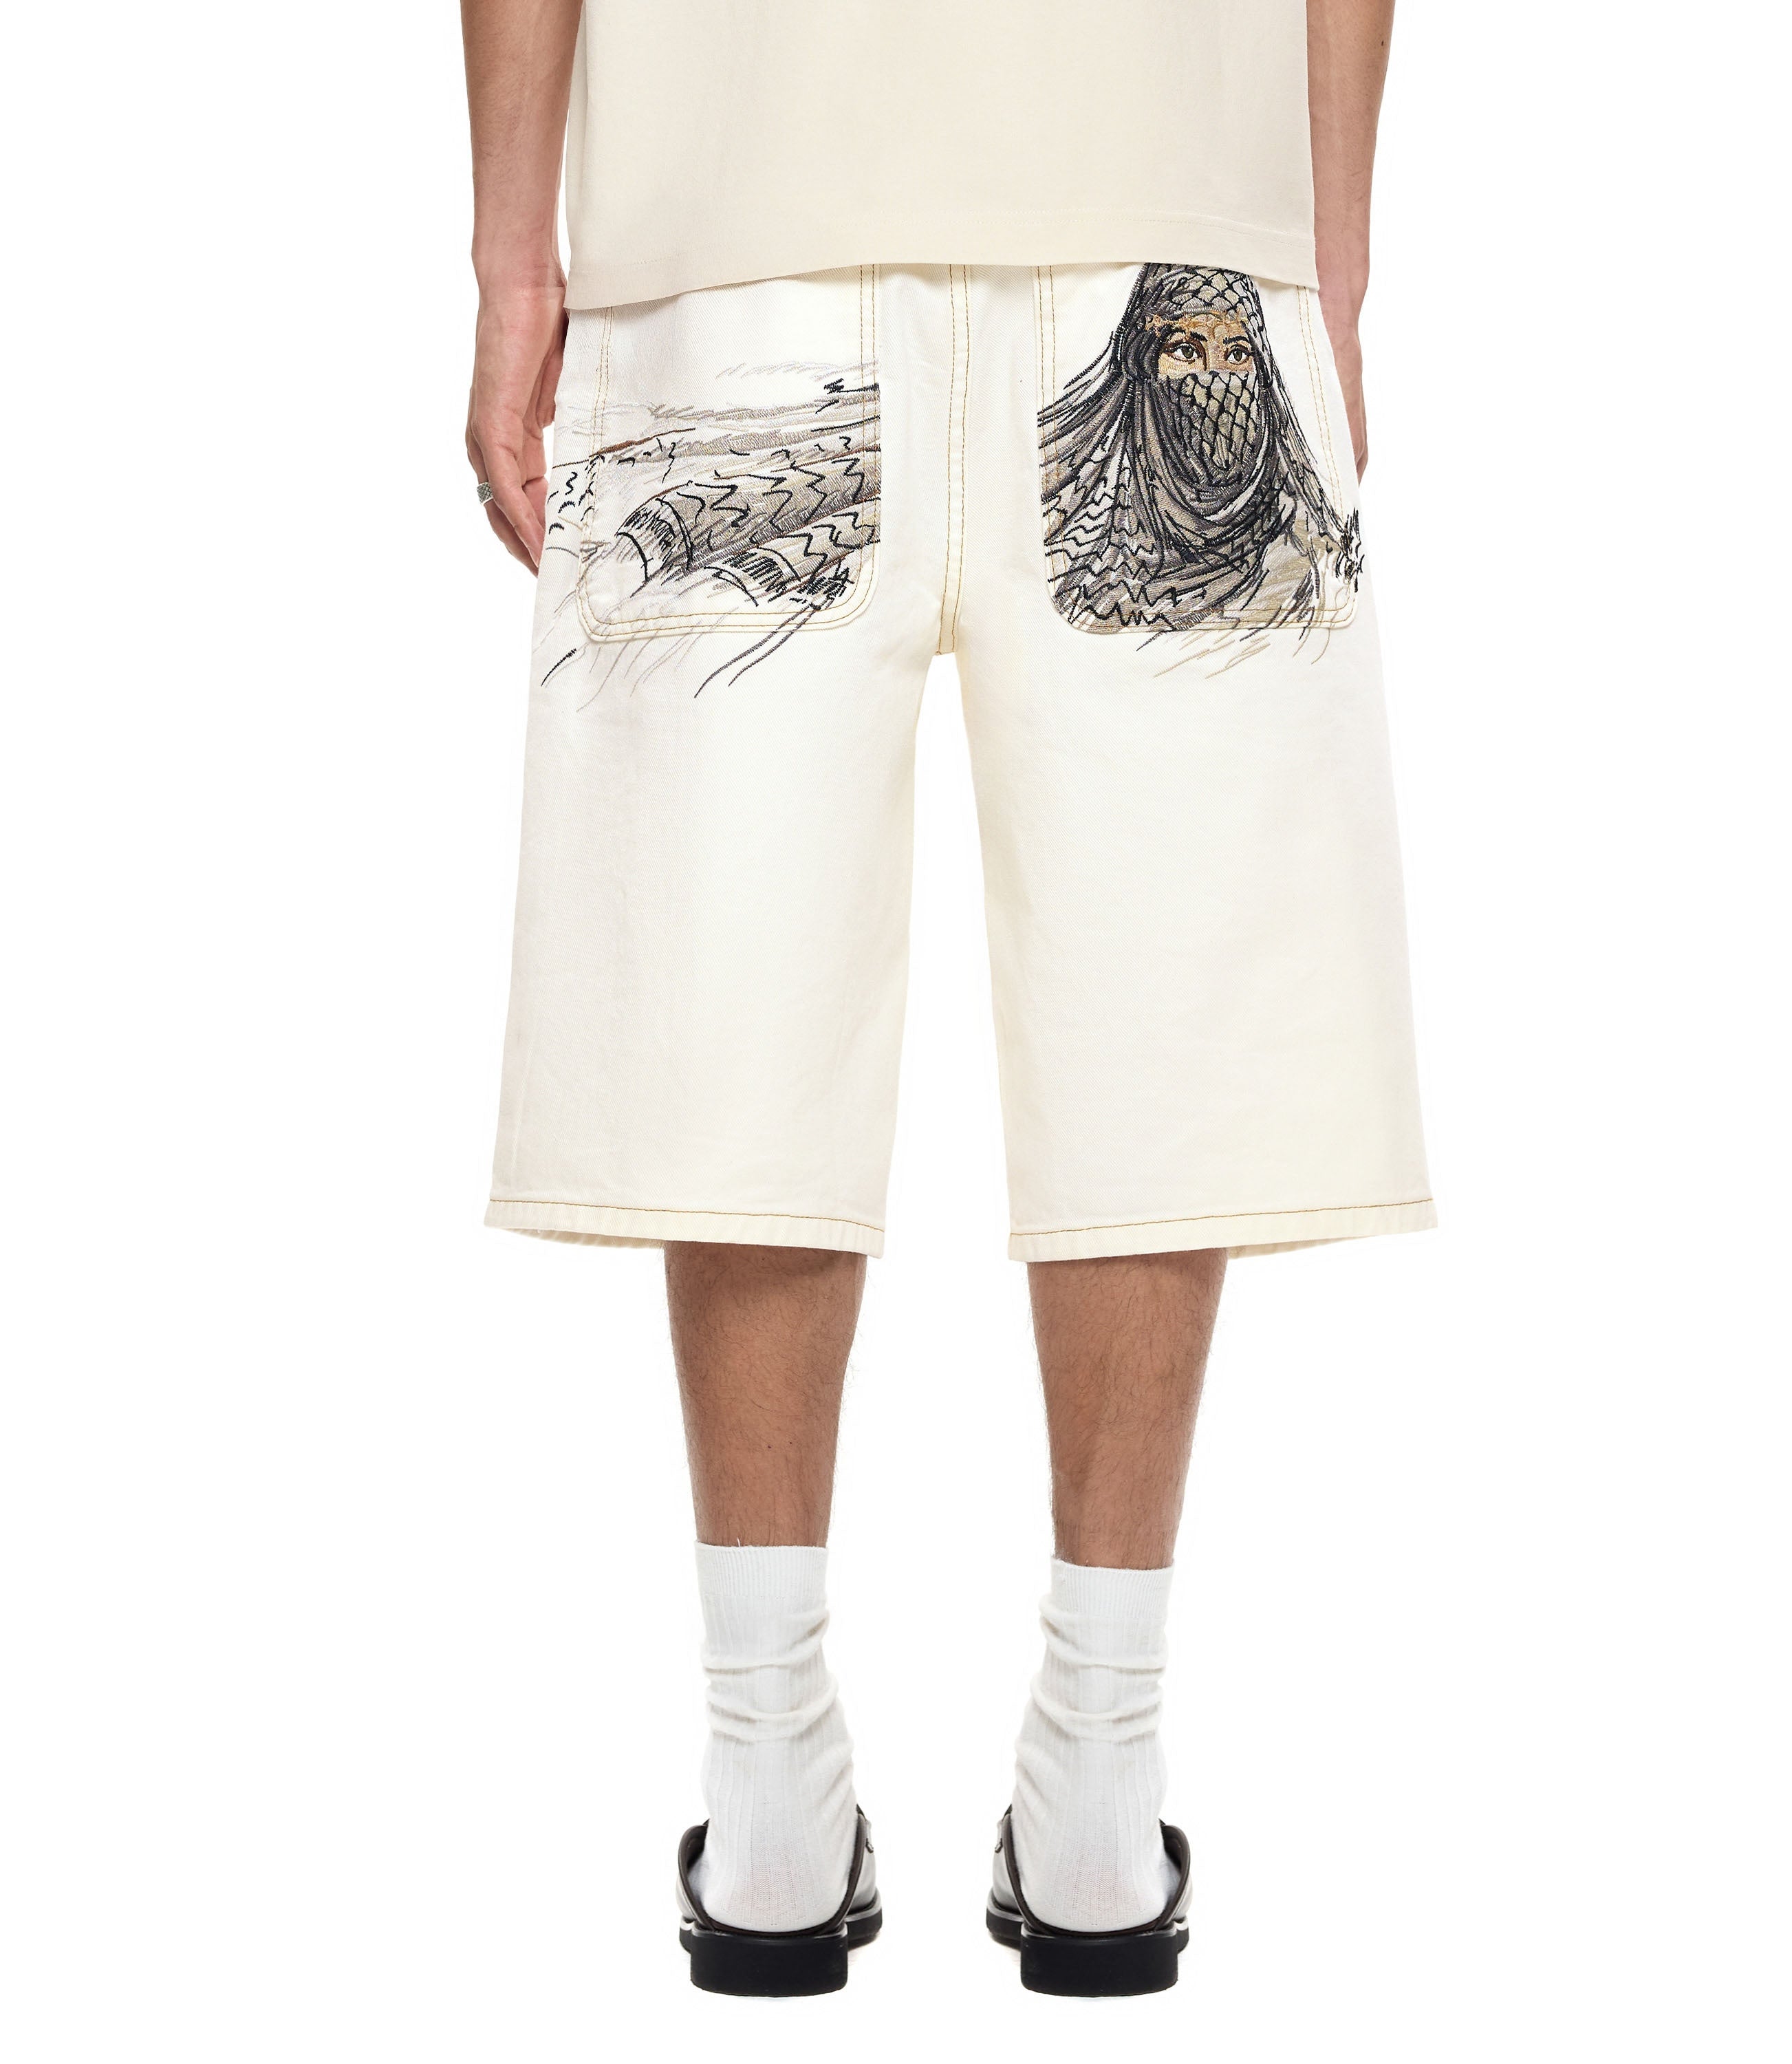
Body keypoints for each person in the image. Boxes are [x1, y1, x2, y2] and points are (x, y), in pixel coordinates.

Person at [462, 0, 1429, 1999]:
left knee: (732, 977)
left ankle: (766, 1793)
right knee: (1169, 980)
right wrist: (1326, 246)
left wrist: (506, 260)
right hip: (1180, 204)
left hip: (734, 224)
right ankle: (1099, 1782)